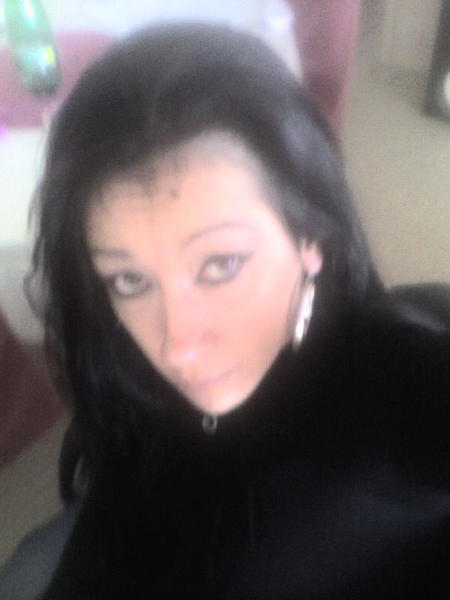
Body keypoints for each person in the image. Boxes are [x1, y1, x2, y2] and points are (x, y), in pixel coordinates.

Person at [2, 22, 450, 599]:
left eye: (220, 265)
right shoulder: (116, 349)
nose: (176, 347)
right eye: (130, 279)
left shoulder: (402, 381)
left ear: (310, 236)